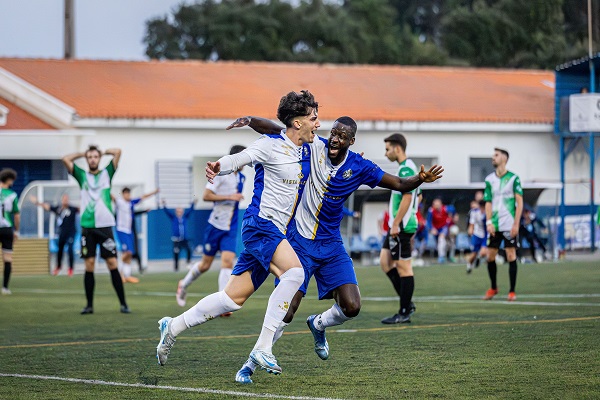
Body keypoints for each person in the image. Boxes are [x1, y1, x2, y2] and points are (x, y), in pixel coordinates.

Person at [226, 116, 442, 383]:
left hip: (331, 246)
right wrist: (250, 120)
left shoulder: (359, 166)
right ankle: (250, 364)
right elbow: (278, 130)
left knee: (352, 307)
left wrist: (420, 178)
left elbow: (398, 183)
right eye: (334, 133)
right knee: (287, 310)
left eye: (343, 136)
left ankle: (318, 324)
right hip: (299, 244)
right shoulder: (314, 145)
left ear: (352, 141)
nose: (336, 139)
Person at [155, 90, 319, 376]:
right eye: (313, 118)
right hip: (260, 225)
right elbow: (242, 157)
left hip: (274, 231)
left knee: (232, 299)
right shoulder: (270, 145)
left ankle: (173, 326)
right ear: (297, 123)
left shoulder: (306, 148)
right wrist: (220, 166)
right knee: (295, 273)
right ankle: (263, 348)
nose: (318, 123)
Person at [176, 145, 247, 307]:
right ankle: (183, 284)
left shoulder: (242, 178)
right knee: (205, 264)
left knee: (228, 261)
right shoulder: (221, 174)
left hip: (231, 226)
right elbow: (206, 196)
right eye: (244, 157)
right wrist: (230, 196)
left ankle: (222, 303)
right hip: (215, 225)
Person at [62, 145, 130, 314]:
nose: (92, 159)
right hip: (88, 226)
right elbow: (65, 159)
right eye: (90, 157)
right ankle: (89, 305)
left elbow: (118, 152)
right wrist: (82, 153)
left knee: (112, 262)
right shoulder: (81, 174)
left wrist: (104, 152)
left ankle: (123, 303)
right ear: (87, 159)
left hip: (105, 225)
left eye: (95, 157)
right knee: (89, 264)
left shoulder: (108, 173)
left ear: (99, 159)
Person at [379, 133, 420, 324]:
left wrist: (396, 223)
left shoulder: (406, 169)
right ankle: (407, 303)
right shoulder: (406, 168)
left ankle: (404, 311)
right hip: (396, 226)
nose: (386, 153)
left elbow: (408, 197)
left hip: (401, 226)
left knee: (404, 267)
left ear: (397, 148)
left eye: (388, 149)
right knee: (385, 262)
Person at [483, 148, 523, 301]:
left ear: (504, 158)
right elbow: (488, 202)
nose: (493, 157)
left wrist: (516, 224)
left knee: (510, 255)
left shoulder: (514, 178)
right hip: (494, 224)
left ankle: (512, 291)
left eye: (496, 155)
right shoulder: (489, 180)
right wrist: (488, 222)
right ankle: (493, 287)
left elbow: (519, 203)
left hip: (509, 224)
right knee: (490, 256)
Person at [115, 187, 159, 283]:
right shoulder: (119, 202)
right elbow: (111, 197)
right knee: (127, 253)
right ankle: (118, 273)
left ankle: (127, 276)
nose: (128, 196)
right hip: (121, 230)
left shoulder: (131, 203)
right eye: (126, 194)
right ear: (123, 194)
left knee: (130, 254)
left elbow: (143, 197)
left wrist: (154, 192)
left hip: (129, 230)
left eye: (129, 194)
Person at [30, 194, 79, 277]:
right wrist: (37, 202)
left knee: (70, 250)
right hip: (62, 233)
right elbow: (47, 206)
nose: (65, 201)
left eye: (67, 199)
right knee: (60, 250)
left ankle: (70, 268)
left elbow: (81, 208)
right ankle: (58, 266)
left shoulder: (72, 209)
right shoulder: (58, 209)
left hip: (71, 233)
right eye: (64, 199)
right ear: (62, 200)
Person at [162, 200, 196, 272]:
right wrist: (164, 204)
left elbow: (190, 211)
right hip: (176, 239)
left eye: (180, 211)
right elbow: (167, 212)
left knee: (189, 250)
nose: (179, 212)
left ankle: (188, 262)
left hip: (184, 238)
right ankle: (176, 268)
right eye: (178, 211)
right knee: (176, 253)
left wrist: (193, 204)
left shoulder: (184, 218)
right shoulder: (174, 218)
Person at [0, 169, 20, 295]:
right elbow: (16, 215)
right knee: (7, 258)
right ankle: (5, 288)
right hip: (7, 229)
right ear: (10, 180)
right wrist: (17, 231)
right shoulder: (12, 195)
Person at [426, 198, 453, 263]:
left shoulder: (446, 208)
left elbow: (453, 209)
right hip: (436, 229)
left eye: (438, 204)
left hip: (444, 227)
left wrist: (454, 215)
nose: (436, 206)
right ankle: (443, 256)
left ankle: (442, 257)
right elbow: (429, 222)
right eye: (435, 204)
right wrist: (432, 228)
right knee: (441, 243)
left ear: (441, 204)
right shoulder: (431, 210)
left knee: (442, 239)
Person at [466, 199, 487, 273]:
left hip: (486, 235)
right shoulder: (474, 212)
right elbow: (472, 223)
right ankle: (469, 264)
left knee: (484, 252)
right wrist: (470, 229)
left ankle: (479, 257)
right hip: (477, 234)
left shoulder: (489, 213)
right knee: (473, 253)